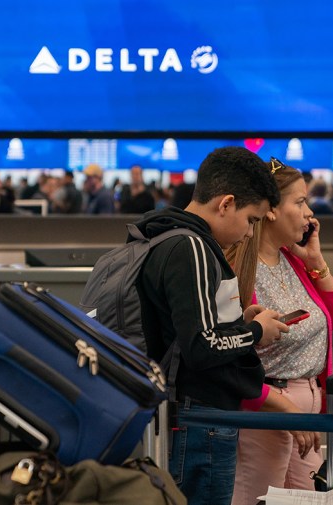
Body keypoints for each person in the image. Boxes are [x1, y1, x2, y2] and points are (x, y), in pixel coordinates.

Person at [135, 146, 289, 504]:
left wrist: (239, 321)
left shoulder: (170, 237)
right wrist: (255, 334)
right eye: (251, 219)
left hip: (192, 414)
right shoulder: (192, 248)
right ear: (225, 204)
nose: (251, 233)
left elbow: (192, 327)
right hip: (200, 416)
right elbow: (201, 346)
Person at [229, 157, 333, 503]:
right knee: (257, 498)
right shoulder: (237, 268)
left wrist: (316, 262)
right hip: (266, 409)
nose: (310, 213)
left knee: (310, 498)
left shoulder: (293, 260)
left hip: (308, 410)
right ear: (272, 210)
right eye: (300, 201)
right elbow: (230, 355)